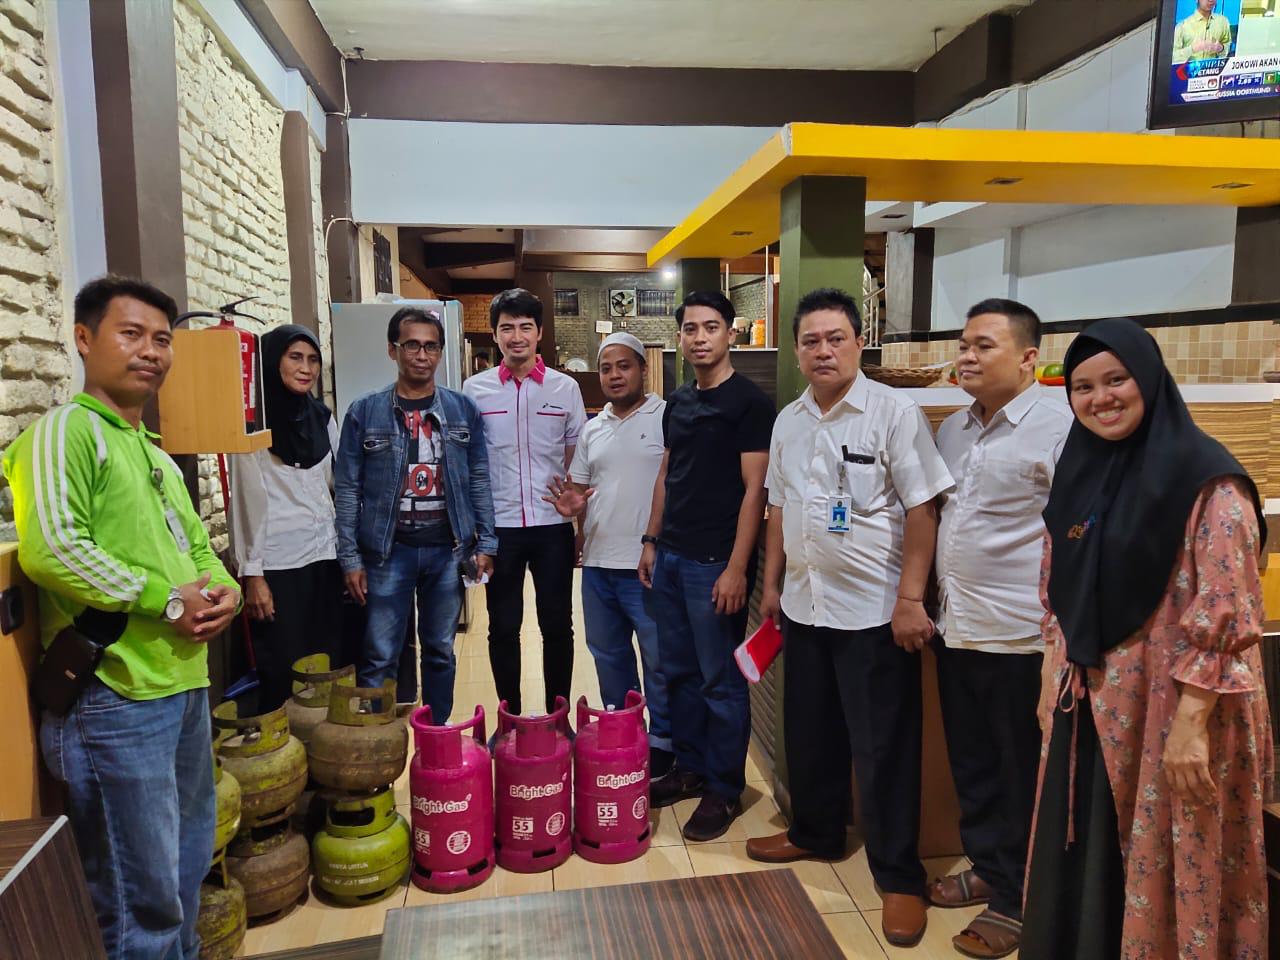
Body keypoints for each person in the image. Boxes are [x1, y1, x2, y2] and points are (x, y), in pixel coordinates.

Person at [3, 275, 241, 959]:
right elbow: (54, 551)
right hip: (114, 700)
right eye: (130, 334)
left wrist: (218, 589)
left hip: (181, 686)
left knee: (184, 870)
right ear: (84, 339)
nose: (151, 352)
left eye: (162, 340)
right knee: (139, 899)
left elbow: (196, 546)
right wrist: (166, 599)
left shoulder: (153, 451)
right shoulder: (64, 434)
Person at [1021, 318, 1272, 960]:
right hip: (1095, 703)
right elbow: (1060, 582)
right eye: (1082, 386)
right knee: (1091, 856)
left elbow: (1228, 611)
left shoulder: (1210, 482)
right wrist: (1054, 668)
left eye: (1116, 379)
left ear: (1151, 380)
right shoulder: (1081, 471)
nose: (1100, 398)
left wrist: (1190, 725)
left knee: (1168, 848)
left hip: (1178, 713)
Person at [745, 288, 953, 948]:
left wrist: (911, 599)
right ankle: (816, 832)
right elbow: (780, 510)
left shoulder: (893, 413)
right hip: (805, 608)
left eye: (835, 338)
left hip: (873, 615)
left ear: (858, 343)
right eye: (810, 340)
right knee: (810, 734)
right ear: (798, 351)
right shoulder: (789, 421)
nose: (823, 350)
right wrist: (772, 587)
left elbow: (923, 510)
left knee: (885, 749)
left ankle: (898, 877)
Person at [928, 299, 1072, 959]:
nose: (967, 356)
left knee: (1023, 775)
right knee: (975, 764)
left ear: (1027, 357)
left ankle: (1018, 902)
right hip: (958, 627)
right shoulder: (954, 429)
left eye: (984, 345)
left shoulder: (1059, 426)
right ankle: (989, 864)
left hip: (1023, 639)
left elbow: (1076, 534)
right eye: (964, 345)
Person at [639, 290, 774, 841]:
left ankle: (724, 788)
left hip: (714, 564)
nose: (699, 337)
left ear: (730, 333)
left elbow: (755, 492)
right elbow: (667, 473)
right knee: (678, 674)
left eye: (710, 327)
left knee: (720, 681)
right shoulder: (678, 402)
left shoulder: (750, 403)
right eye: (690, 328)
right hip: (670, 558)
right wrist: (651, 540)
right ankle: (691, 768)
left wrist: (738, 568)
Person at [334, 306, 496, 722]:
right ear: (393, 350)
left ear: (440, 352)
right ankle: (372, 740)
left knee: (440, 651)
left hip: (447, 550)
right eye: (411, 345)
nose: (421, 355)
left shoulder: (463, 411)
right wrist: (350, 557)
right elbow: (347, 489)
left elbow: (479, 478)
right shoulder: (363, 412)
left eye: (430, 346)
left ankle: (435, 733)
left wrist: (486, 542)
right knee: (380, 655)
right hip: (388, 552)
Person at [543, 331, 674, 776]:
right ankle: (622, 728)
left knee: (657, 658)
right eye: (606, 368)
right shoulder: (592, 429)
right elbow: (578, 489)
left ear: (642, 369)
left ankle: (663, 741)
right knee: (608, 654)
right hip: (598, 565)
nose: (615, 375)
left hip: (645, 565)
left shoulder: (665, 417)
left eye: (624, 366)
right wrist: (574, 511)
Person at [463, 288, 586, 718]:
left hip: (552, 527)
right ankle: (510, 718)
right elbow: (470, 464)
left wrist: (579, 524)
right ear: (495, 335)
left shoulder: (565, 388)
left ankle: (558, 717)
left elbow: (578, 462)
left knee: (557, 627)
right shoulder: (473, 391)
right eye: (507, 328)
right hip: (500, 531)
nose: (516, 336)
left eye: (525, 327)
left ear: (539, 334)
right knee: (503, 628)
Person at [229, 324, 342, 712]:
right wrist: (253, 575)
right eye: (295, 357)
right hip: (278, 565)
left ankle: (324, 757)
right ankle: (288, 757)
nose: (305, 368)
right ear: (273, 360)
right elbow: (244, 504)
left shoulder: (323, 418)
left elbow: (336, 486)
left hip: (325, 557)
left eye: (312, 359)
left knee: (326, 661)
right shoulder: (251, 428)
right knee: (283, 667)